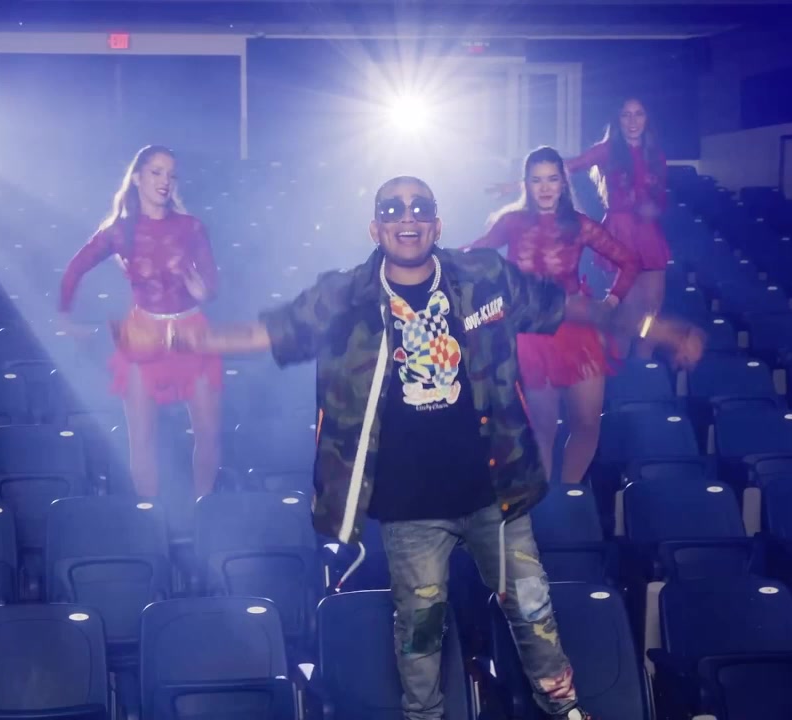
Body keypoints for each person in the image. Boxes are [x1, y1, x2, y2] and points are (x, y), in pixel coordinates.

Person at [162, 176, 702, 720]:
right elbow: (269, 333)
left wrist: (653, 327)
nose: (407, 217)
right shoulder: (345, 297)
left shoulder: (483, 277)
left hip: (494, 491)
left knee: (533, 609)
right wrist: (179, 337)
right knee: (419, 634)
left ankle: (565, 710)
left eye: (419, 207)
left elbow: (569, 307)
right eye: (393, 209)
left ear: (437, 224)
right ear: (375, 228)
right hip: (411, 505)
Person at [471, 146, 642, 485]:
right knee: (542, 428)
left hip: (577, 331)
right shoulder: (511, 222)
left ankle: (569, 492)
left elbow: (630, 262)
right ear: (526, 184)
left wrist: (610, 302)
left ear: (563, 182)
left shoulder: (580, 225)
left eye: (552, 179)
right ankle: (547, 504)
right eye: (537, 180)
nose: (545, 187)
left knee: (587, 423)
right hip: (531, 334)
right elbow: (475, 256)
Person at [59, 145, 222, 499]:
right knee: (142, 440)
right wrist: (65, 317)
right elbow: (74, 268)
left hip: (191, 333)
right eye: (156, 172)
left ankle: (204, 509)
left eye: (171, 174)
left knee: (208, 434)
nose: (165, 181)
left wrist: (205, 291)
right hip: (143, 336)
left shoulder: (192, 227)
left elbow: (212, 284)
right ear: (137, 178)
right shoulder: (120, 231)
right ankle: (151, 516)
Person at [491, 97, 669, 358]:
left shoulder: (656, 154)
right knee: (630, 309)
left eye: (638, 114)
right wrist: (518, 185)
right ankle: (622, 364)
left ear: (647, 119)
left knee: (653, 305)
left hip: (648, 231)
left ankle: (644, 361)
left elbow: (661, 196)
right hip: (621, 229)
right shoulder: (607, 149)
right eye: (626, 115)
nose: (632, 121)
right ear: (618, 120)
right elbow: (565, 168)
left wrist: (654, 209)